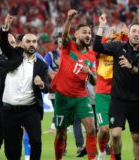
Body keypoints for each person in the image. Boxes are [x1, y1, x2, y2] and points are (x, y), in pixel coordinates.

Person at [93, 13, 139, 160]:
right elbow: (97, 47)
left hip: (137, 101)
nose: (136, 34)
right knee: (115, 134)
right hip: (118, 100)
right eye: (134, 31)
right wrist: (101, 27)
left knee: (136, 137)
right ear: (128, 33)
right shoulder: (118, 47)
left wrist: (131, 67)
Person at [0, 14, 49, 160]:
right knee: (11, 148)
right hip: (10, 110)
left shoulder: (41, 65)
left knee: (36, 142)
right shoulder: (14, 55)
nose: (32, 44)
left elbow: (47, 87)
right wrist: (5, 28)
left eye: (34, 41)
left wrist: (41, 84)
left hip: (30, 109)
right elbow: (3, 44)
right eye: (28, 41)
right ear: (22, 44)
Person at [51, 9, 97, 160]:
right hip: (63, 97)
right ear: (76, 35)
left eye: (89, 32)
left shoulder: (91, 55)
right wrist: (69, 19)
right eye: (84, 32)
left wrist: (90, 73)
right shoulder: (68, 46)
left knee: (91, 130)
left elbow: (94, 81)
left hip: (81, 97)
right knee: (61, 133)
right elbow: (64, 35)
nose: (88, 35)